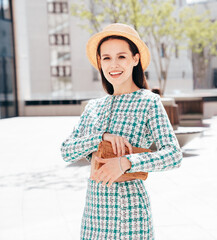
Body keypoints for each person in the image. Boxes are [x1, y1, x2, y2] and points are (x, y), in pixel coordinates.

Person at [60, 23, 183, 239]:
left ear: (135, 59)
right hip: (93, 215)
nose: (113, 65)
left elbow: (173, 155)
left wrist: (127, 162)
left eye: (121, 57)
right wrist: (100, 138)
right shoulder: (94, 107)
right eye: (106, 58)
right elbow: (66, 151)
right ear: (99, 62)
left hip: (130, 215)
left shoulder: (149, 102)